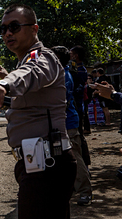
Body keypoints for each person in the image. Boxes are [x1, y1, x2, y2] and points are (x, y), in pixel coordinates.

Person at [0, 4, 76, 219]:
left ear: (34, 29)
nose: (8, 33)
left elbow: (30, 73)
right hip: (38, 163)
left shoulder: (42, 57)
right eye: (3, 29)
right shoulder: (24, 60)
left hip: (48, 166)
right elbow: (25, 101)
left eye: (14, 26)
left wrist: (3, 84)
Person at [51, 46, 93, 206]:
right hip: (63, 123)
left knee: (74, 158)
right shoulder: (60, 74)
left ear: (58, 59)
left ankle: (85, 192)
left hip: (68, 124)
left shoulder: (62, 76)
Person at [69, 45, 89, 134]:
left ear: (75, 55)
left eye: (70, 54)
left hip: (77, 103)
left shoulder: (80, 71)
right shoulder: (77, 69)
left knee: (78, 131)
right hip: (77, 103)